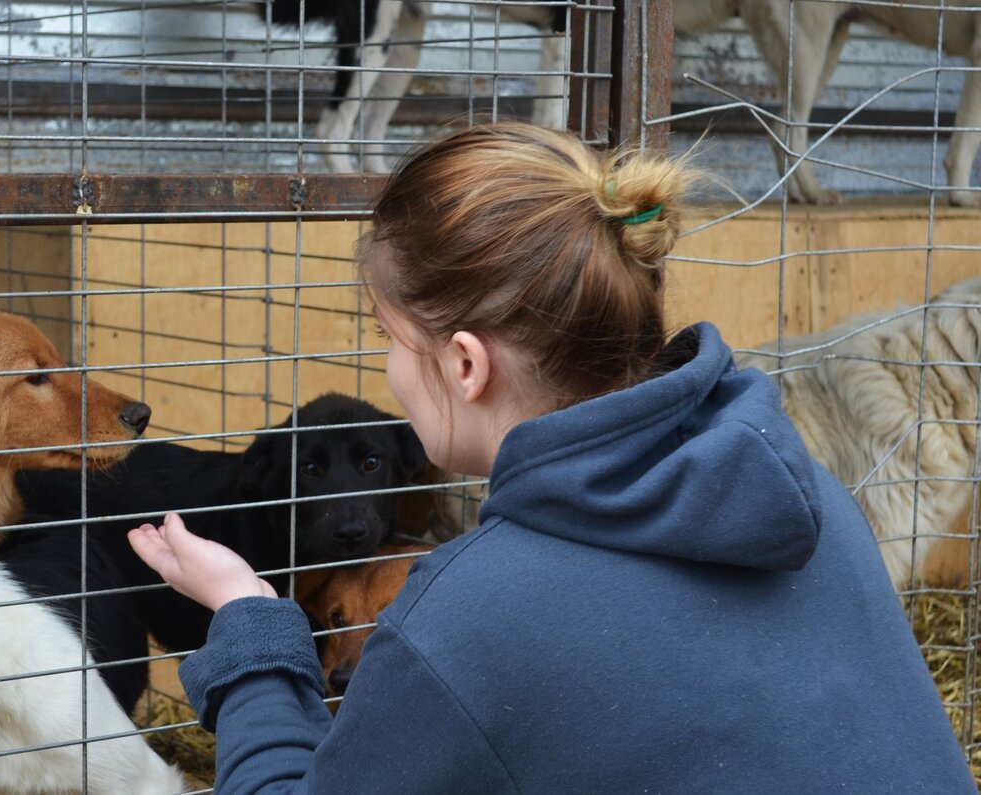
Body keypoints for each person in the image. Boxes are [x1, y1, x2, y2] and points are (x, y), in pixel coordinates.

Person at [128, 123, 975, 793]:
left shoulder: (465, 620)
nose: (387, 367)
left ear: (464, 364)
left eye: (387, 338)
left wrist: (247, 618)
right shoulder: (810, 497)